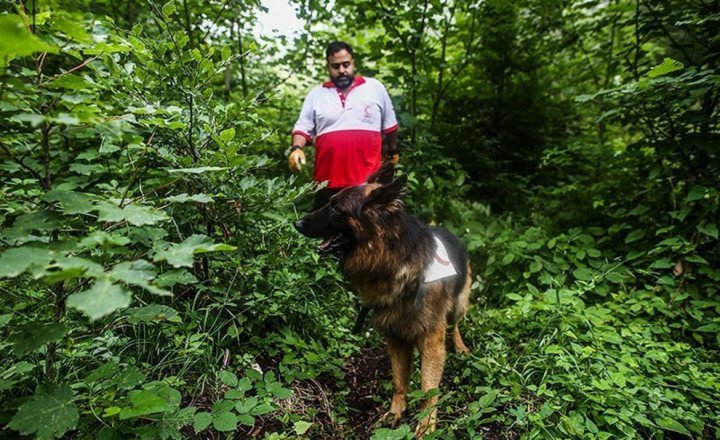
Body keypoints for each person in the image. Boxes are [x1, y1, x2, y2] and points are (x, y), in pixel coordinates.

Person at [288, 41, 399, 210]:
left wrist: (392, 151)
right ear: (328, 66)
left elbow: (390, 126)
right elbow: (303, 128)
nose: (341, 71)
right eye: (335, 66)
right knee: (328, 234)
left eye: (346, 65)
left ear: (353, 62)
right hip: (327, 184)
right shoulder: (316, 94)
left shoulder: (374, 88)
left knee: (368, 233)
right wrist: (296, 148)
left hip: (368, 184)